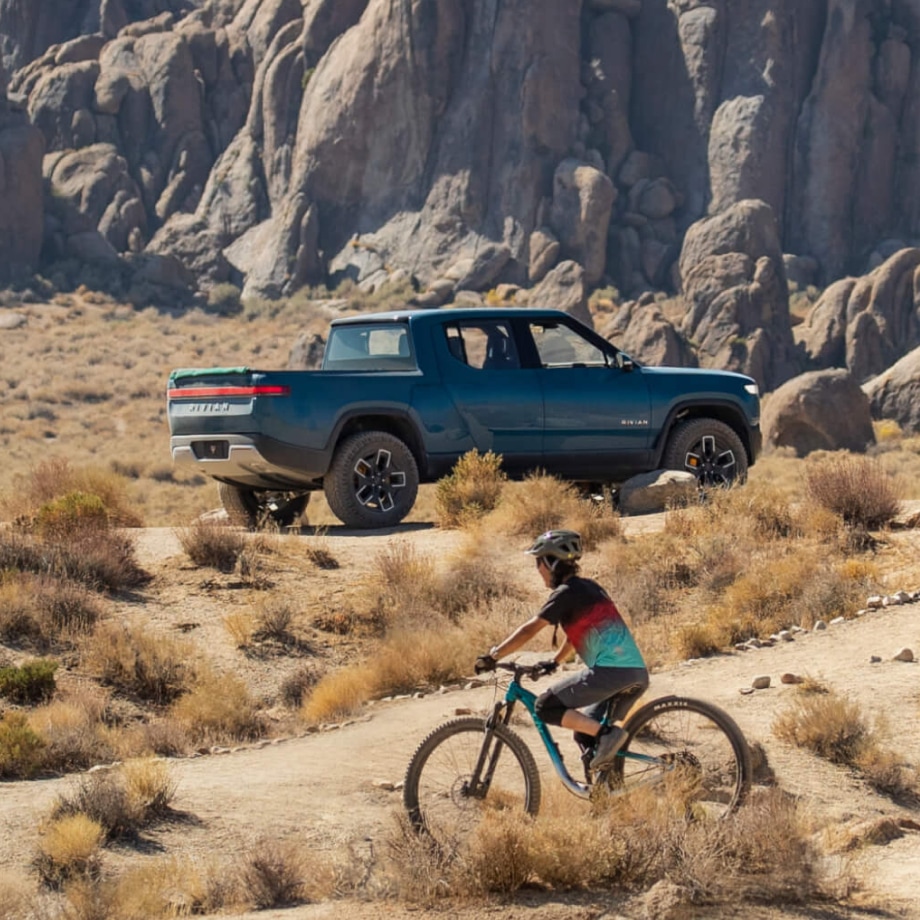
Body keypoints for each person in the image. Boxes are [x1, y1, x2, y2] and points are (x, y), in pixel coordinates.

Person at [475, 529, 649, 772]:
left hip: (612, 673)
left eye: (539, 563)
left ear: (551, 563)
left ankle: (608, 734)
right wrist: (555, 662)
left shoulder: (565, 594)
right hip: (636, 673)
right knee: (584, 734)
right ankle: (607, 794)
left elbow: (530, 629)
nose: (538, 570)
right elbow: (576, 636)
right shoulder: (589, 588)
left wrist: (493, 656)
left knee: (545, 706)